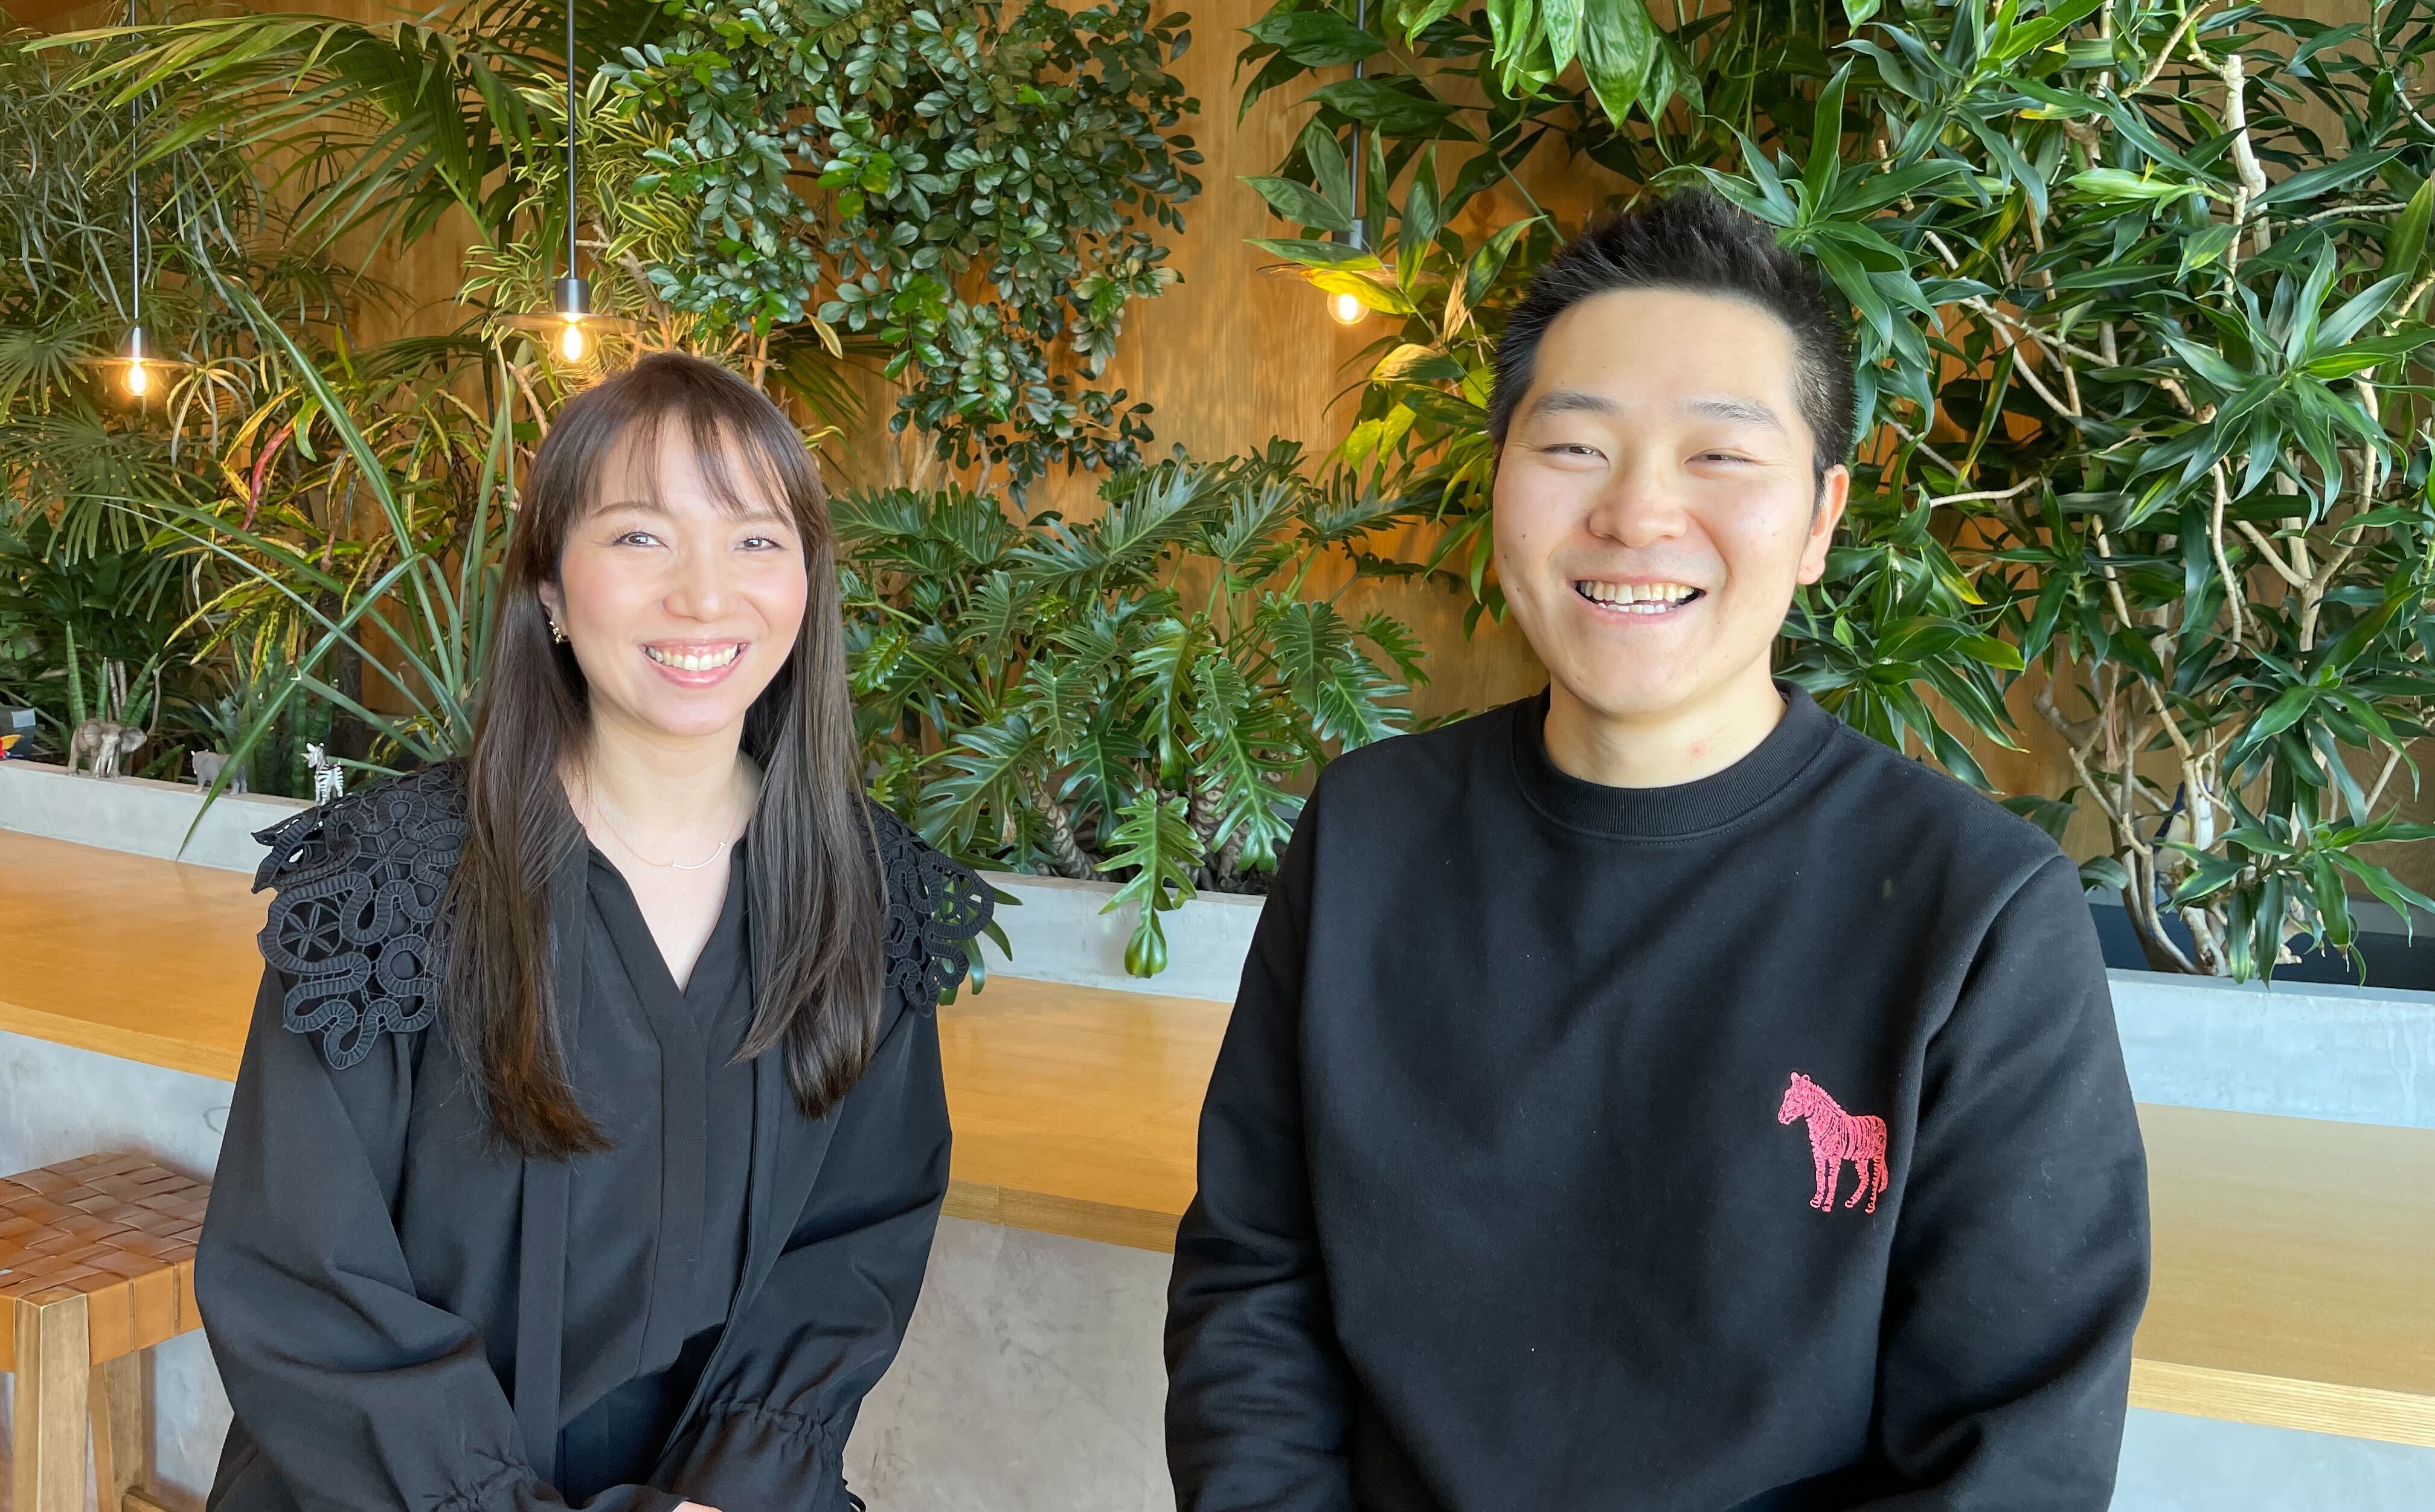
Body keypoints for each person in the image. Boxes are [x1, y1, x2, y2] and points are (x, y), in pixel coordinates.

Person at [1164, 192, 2149, 1510]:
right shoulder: (1367, 833)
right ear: (1501, 482)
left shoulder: (1977, 912)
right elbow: (1253, 1282)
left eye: (1721, 459)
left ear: (1819, 520)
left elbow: (2009, 1453)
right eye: (1574, 446)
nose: (1636, 514)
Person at [198, 353, 993, 1512]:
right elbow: (304, 1277)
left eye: (758, 541)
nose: (706, 596)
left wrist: (732, 1486)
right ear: (551, 593)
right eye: (640, 538)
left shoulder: (864, 895)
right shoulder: (393, 890)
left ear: (808, 587)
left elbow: (855, 1243)